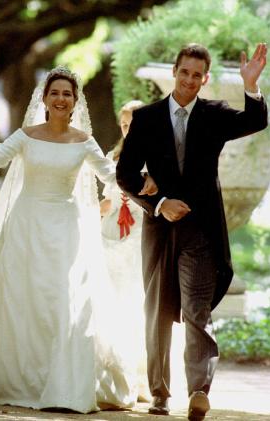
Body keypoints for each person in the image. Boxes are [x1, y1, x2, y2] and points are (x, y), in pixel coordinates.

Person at [0, 66, 153, 413]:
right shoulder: (27, 135)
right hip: (25, 226)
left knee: (64, 300)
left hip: (66, 228)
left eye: (67, 94)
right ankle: (20, 380)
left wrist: (145, 182)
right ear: (45, 99)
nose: (61, 99)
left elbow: (112, 175)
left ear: (75, 101)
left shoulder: (83, 141)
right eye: (55, 93)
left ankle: (62, 384)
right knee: (22, 300)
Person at [116, 43, 268, 420]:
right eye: (184, 72)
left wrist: (251, 85)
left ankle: (199, 390)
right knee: (157, 312)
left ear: (206, 78)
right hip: (159, 229)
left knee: (197, 310)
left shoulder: (214, 115)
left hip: (201, 232)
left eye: (196, 75)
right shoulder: (147, 118)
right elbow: (125, 174)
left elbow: (256, 121)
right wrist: (159, 202)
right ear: (174, 71)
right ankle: (160, 394)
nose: (189, 80)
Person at [100, 100, 157, 402]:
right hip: (110, 233)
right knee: (109, 301)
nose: (128, 129)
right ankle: (112, 372)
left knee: (136, 302)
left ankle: (142, 378)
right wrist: (99, 208)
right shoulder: (113, 156)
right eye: (124, 125)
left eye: (133, 124)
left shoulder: (154, 156)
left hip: (137, 235)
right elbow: (110, 194)